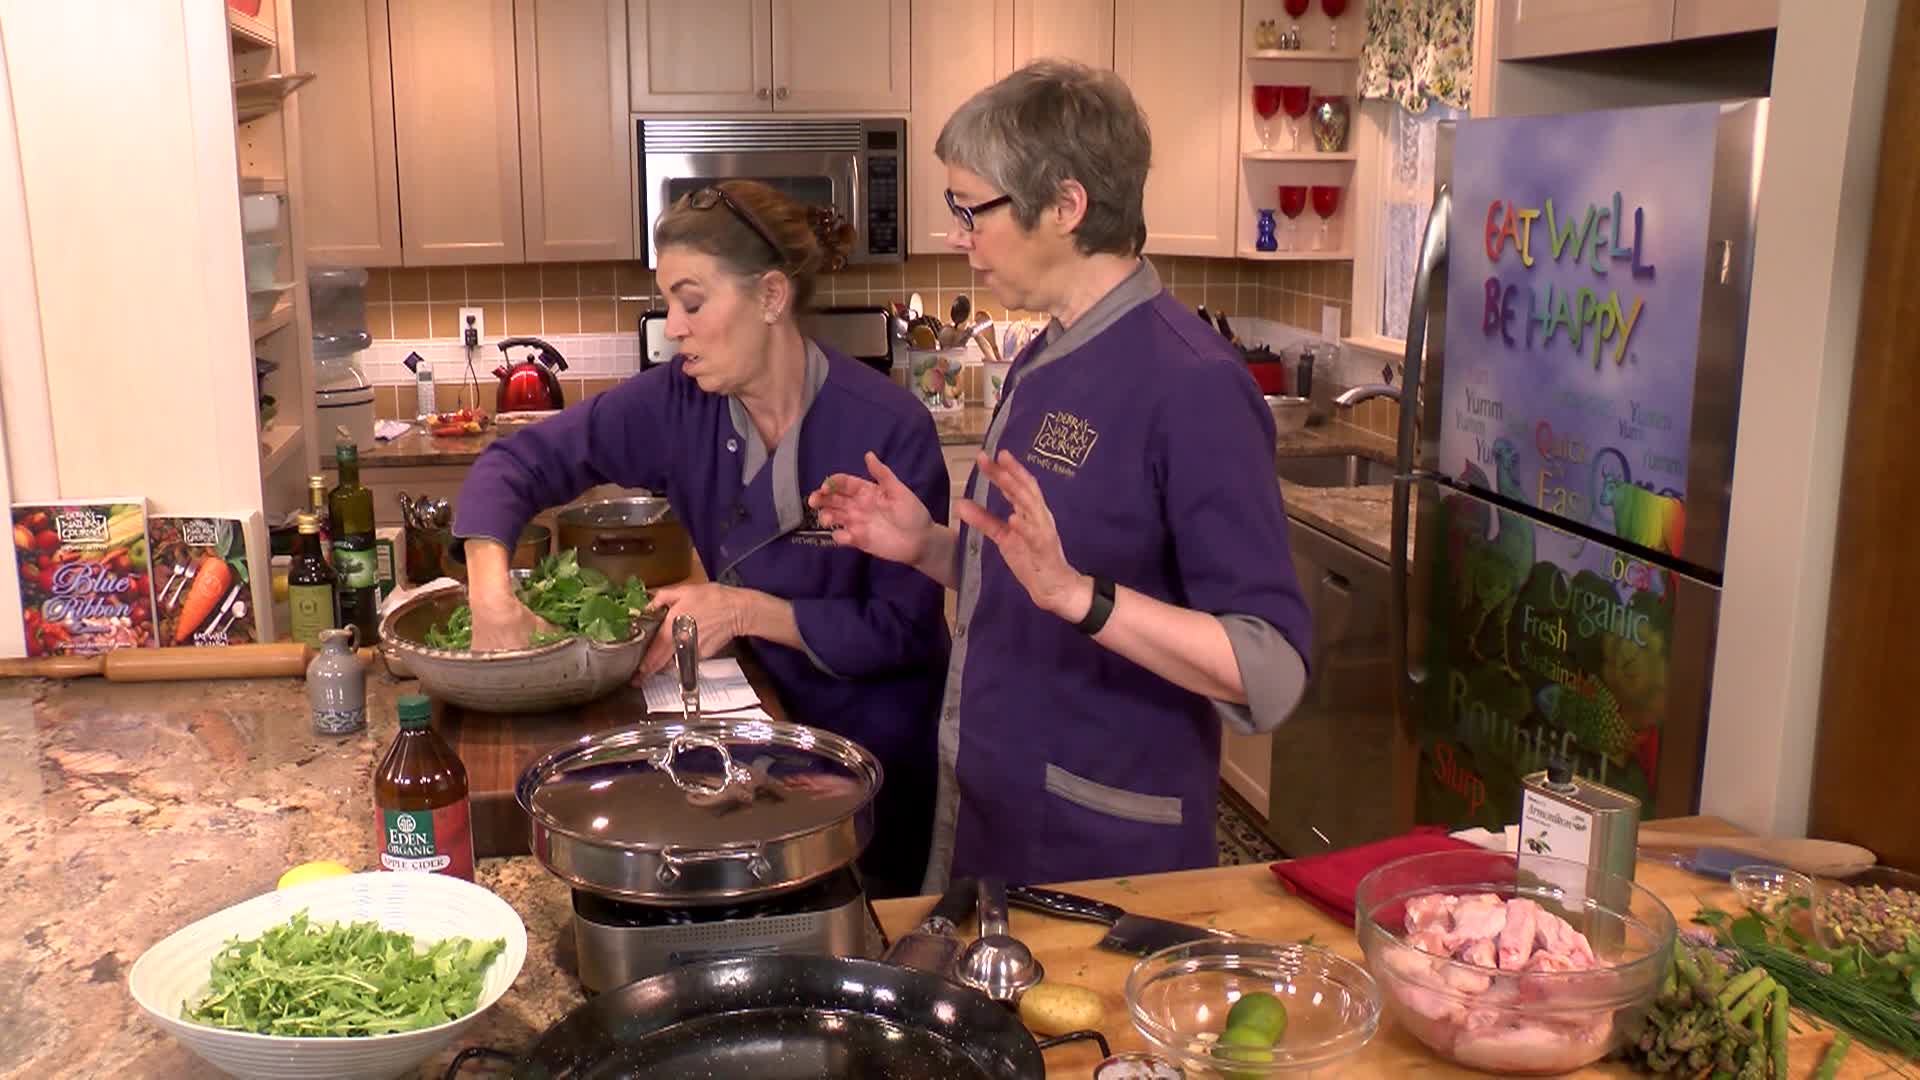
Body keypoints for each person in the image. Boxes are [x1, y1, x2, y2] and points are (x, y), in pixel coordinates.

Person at [809, 60, 1314, 891]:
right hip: (995, 818)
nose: (956, 234)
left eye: (972, 209)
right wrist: (932, 549)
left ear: (1067, 207)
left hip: (1105, 853)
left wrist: (1084, 598)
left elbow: (1270, 668)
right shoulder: (1044, 354)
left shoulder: (1194, 385)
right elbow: (1026, 567)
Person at [451, 180, 949, 899]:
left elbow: (904, 631)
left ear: (772, 297)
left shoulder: (887, 426)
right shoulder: (678, 403)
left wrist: (744, 611)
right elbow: (515, 463)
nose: (674, 327)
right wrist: (490, 589)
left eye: (692, 302)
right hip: (748, 748)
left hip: (866, 764)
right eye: (669, 304)